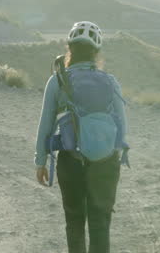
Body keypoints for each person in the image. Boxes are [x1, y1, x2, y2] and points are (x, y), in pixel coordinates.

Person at [34, 21, 128, 253]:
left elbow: (45, 124)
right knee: (100, 224)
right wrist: (110, 154)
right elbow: (122, 126)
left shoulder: (57, 80)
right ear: (96, 52)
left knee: (75, 223)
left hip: (70, 159)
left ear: (70, 49)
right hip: (105, 163)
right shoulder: (110, 81)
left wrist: (40, 161)